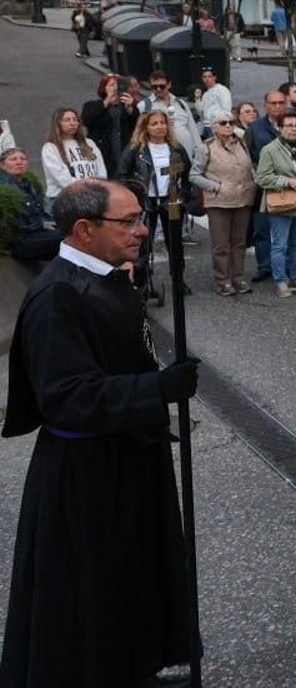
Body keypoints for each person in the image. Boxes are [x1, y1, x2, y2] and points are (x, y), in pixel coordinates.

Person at [0, 179, 199, 687]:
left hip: (127, 452)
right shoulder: (58, 297)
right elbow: (66, 397)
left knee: (134, 573)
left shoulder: (106, 275)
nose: (142, 228)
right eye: (128, 221)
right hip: (88, 474)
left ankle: (136, 666)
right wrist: (154, 389)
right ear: (84, 230)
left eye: (141, 217)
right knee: (96, 586)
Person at [118, 110, 192, 301]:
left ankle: (178, 281)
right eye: (154, 123)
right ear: (146, 127)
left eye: (162, 123)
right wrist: (133, 198)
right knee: (143, 244)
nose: (159, 127)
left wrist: (183, 196)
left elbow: (187, 174)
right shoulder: (136, 149)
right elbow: (121, 175)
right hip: (145, 202)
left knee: (174, 244)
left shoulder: (176, 148)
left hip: (171, 199)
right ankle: (142, 283)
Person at [254, 111, 296, 298]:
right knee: (280, 245)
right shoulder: (270, 150)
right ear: (279, 128)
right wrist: (286, 181)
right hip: (281, 204)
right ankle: (280, 281)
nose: (293, 129)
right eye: (289, 125)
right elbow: (262, 178)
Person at [192, 111, 258, 295]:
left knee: (239, 242)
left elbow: (250, 166)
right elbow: (194, 175)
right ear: (214, 126)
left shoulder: (242, 143)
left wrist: (253, 182)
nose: (228, 125)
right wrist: (215, 187)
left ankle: (238, 277)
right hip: (219, 202)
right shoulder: (206, 147)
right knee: (220, 244)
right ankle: (223, 280)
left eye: (231, 122)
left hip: (243, 199)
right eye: (223, 122)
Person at [0, 149, 61, 261]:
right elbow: (18, 226)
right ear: (2, 165)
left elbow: (41, 214)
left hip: (36, 234)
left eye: (23, 159)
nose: (19, 162)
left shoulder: (28, 184)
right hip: (21, 241)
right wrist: (42, 225)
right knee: (69, 238)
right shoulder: (3, 188)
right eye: (13, 159)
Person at [40, 106, 107, 200]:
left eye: (75, 120)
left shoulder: (89, 143)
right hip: (65, 197)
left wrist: (98, 186)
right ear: (58, 123)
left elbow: (101, 170)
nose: (72, 123)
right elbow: (62, 178)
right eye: (67, 120)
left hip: (93, 195)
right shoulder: (50, 147)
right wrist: (87, 187)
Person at [137, 71, 202, 157]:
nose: (158, 89)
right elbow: (139, 133)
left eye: (162, 86)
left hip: (188, 154)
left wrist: (199, 151)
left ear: (169, 85)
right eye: (154, 87)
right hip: (161, 156)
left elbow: (192, 128)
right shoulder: (144, 106)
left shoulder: (181, 103)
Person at [82, 74, 137, 170]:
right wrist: (106, 102)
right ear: (104, 88)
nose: (115, 88)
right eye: (112, 85)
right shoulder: (92, 105)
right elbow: (86, 120)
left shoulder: (127, 106)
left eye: (117, 85)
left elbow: (138, 126)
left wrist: (131, 110)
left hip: (124, 154)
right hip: (103, 156)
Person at [194, 64, 233, 130]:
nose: (207, 79)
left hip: (216, 126)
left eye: (209, 76)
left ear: (214, 77)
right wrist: (197, 99)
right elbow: (200, 112)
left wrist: (220, 124)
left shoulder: (222, 90)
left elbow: (227, 109)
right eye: (204, 77)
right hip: (206, 125)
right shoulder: (205, 94)